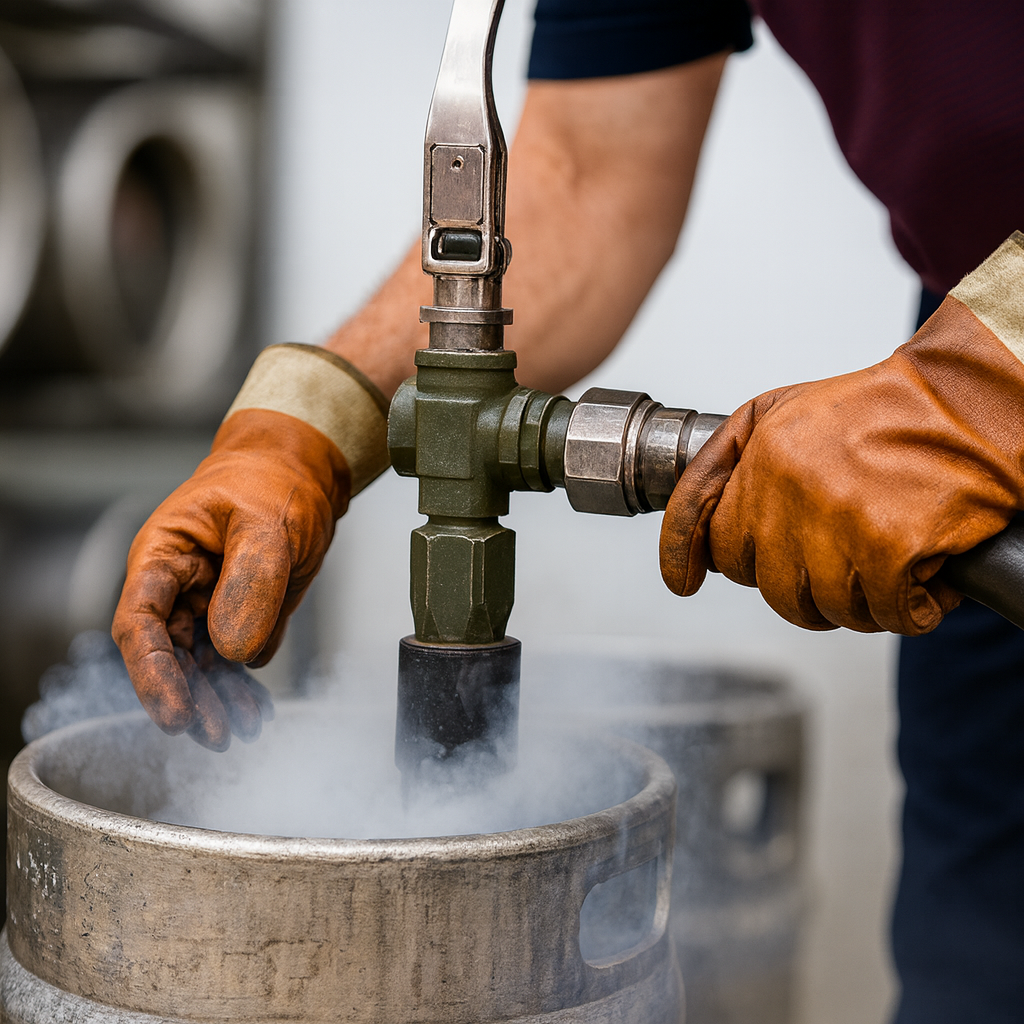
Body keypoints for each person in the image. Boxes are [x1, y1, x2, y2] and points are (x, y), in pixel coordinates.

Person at [112, 1, 1024, 1020]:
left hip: (981, 371)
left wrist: (985, 380)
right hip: (964, 367)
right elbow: (591, 169)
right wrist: (301, 431)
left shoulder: (971, 388)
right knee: (979, 966)